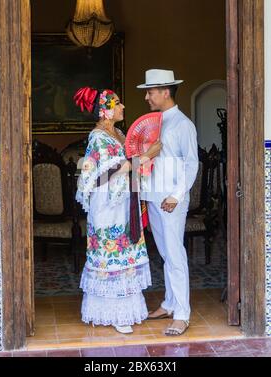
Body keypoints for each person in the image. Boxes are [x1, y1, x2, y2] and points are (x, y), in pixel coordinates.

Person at [74, 87, 162, 334]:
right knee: (111, 252)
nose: (123, 107)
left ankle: (125, 309)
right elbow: (108, 172)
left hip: (123, 202)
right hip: (107, 204)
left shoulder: (118, 134)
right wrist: (146, 156)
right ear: (106, 110)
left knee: (126, 252)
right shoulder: (99, 138)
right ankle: (112, 312)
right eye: (118, 103)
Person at [137, 69, 199, 336]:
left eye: (150, 92)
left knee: (175, 255)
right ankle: (170, 303)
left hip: (171, 200)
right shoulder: (155, 122)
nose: (147, 97)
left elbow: (191, 163)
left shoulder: (183, 124)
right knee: (164, 253)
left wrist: (176, 196)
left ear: (165, 92)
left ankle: (182, 313)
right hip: (153, 196)